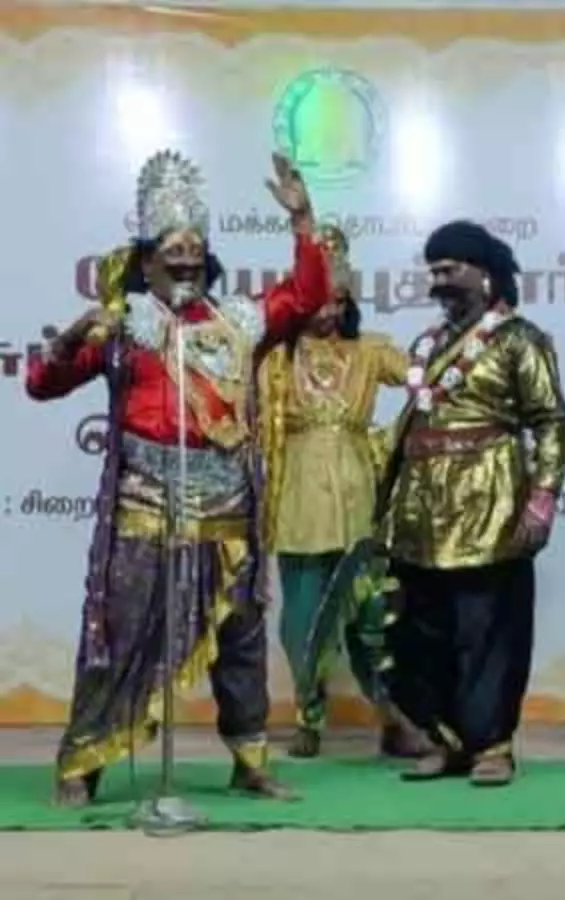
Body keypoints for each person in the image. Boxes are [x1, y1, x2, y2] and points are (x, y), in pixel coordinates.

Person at [27, 150, 329, 806]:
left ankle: (250, 762)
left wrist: (302, 219)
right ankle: (83, 763)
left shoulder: (239, 322)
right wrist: (72, 336)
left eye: (195, 249)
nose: (187, 259)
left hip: (227, 506)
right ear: (147, 261)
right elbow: (41, 384)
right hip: (146, 505)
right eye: (173, 250)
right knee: (120, 635)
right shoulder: (124, 326)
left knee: (242, 641)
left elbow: (307, 295)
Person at [377, 220, 565, 787]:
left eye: (450, 269)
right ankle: (446, 741)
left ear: (485, 274)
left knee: (486, 629)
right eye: (434, 271)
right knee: (422, 629)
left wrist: (541, 500)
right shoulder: (429, 344)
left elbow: (550, 421)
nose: (440, 280)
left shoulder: (519, 339)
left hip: (490, 506)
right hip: (422, 511)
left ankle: (492, 746)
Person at [258, 222, 430, 760]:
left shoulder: (370, 350)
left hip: (360, 495)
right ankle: (308, 717)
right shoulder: (277, 357)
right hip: (299, 500)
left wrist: (434, 383)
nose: (328, 312)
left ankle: (393, 719)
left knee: (372, 615)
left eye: (338, 301)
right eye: (319, 301)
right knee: (303, 619)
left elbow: (424, 380)